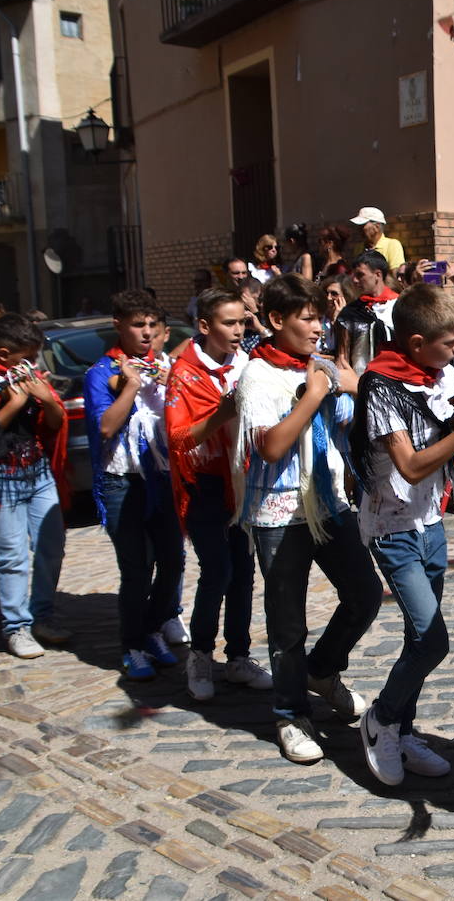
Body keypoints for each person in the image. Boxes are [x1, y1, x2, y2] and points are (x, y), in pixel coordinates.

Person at [350, 285, 454, 785]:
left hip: (431, 524)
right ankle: (382, 719)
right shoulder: (381, 386)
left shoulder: (441, 376)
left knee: (419, 636)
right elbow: (411, 466)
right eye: (450, 342)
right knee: (432, 639)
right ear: (416, 342)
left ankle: (403, 727)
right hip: (392, 527)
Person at [232, 273, 385, 764]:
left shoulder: (318, 364)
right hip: (279, 513)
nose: (319, 326)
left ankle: (322, 670)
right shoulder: (258, 373)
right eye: (307, 317)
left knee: (363, 594)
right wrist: (314, 396)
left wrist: (353, 388)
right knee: (287, 622)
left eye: (321, 316)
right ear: (277, 320)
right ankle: (290, 713)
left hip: (327, 503)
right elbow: (271, 445)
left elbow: (344, 423)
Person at [165, 287, 272, 701]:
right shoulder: (184, 373)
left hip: (243, 482)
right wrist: (220, 416)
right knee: (218, 571)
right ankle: (201, 655)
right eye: (229, 322)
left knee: (244, 573)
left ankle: (239, 657)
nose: (239, 330)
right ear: (205, 326)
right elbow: (178, 440)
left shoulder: (248, 364)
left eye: (243, 321)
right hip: (204, 486)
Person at [85, 291, 185, 680]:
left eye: (151, 326)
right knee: (137, 569)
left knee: (174, 562)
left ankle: (153, 627)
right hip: (120, 481)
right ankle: (132, 644)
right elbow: (106, 427)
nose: (145, 333)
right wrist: (129, 387)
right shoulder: (101, 372)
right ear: (118, 325)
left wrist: (171, 384)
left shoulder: (166, 367)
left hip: (161, 479)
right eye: (136, 325)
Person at [0, 313, 68, 653]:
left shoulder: (28, 374)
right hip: (1, 480)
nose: (33, 362)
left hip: (37, 473)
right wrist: (15, 402)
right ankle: (16, 626)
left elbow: (53, 422)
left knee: (51, 547)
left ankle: (42, 616)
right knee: (13, 556)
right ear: (4, 354)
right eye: (28, 355)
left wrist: (46, 398)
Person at [333, 250, 398, 374]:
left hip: (397, 380)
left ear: (377, 275)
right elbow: (342, 359)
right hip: (360, 383)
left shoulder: (401, 306)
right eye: (353, 276)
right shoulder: (350, 313)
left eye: (360, 275)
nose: (355, 280)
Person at [351, 206, 405, 272]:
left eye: (362, 225)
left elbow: (395, 275)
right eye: (358, 226)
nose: (359, 229)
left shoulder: (392, 245)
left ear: (376, 227)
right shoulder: (358, 248)